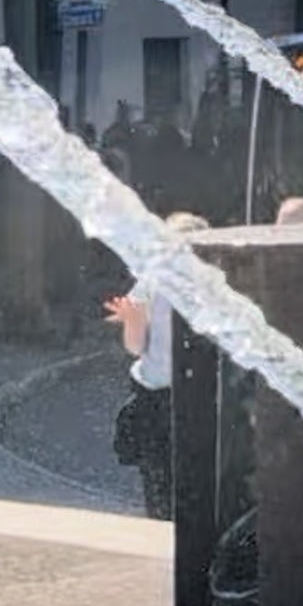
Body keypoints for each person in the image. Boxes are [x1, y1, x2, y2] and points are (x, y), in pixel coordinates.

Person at [103, 211, 211, 520]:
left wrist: (132, 318)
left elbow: (135, 346)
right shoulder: (161, 282)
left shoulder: (165, 280)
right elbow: (135, 345)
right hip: (174, 393)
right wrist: (133, 318)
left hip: (173, 392)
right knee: (176, 477)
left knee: (172, 479)